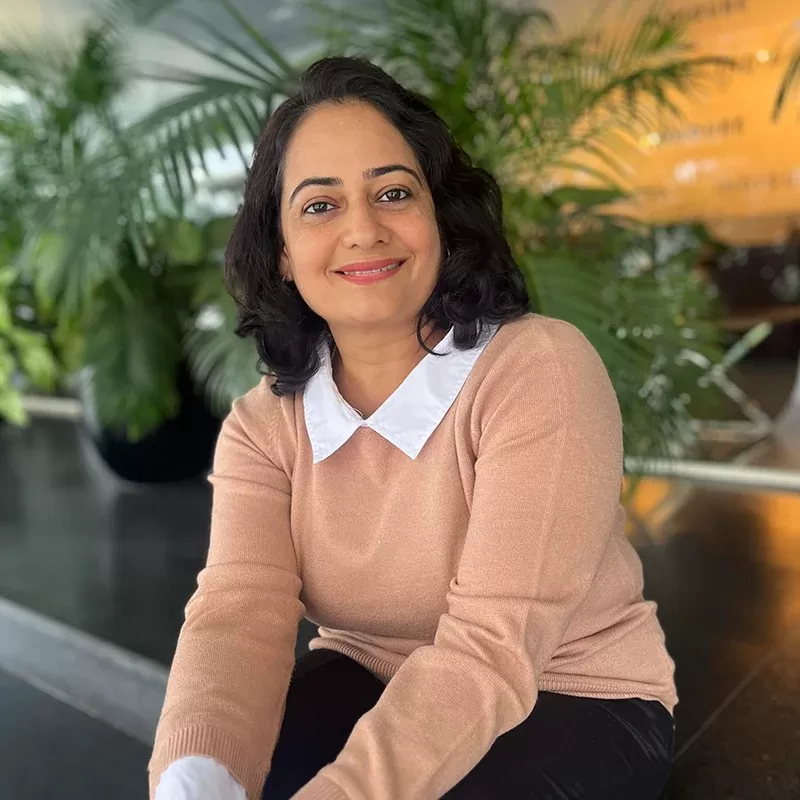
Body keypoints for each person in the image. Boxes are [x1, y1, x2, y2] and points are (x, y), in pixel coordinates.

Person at [149, 56, 677, 800]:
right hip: (368, 669)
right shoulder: (262, 425)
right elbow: (238, 614)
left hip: (572, 689)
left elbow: (493, 646)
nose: (363, 229)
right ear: (284, 254)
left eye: (393, 193)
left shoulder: (538, 369)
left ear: (440, 221)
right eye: (320, 205)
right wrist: (191, 776)